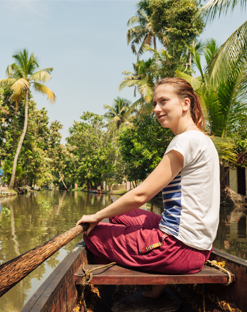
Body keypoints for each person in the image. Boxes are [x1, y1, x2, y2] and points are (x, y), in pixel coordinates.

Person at [76, 77, 220, 298]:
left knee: (93, 236)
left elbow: (141, 194)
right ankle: (156, 283)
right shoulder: (202, 140)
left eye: (163, 101)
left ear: (185, 103)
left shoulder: (185, 141)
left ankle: (110, 295)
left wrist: (96, 215)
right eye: (154, 103)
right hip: (198, 248)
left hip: (177, 249)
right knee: (122, 216)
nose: (156, 109)